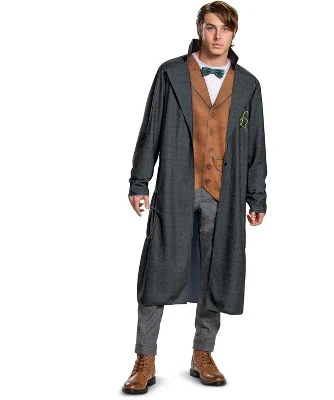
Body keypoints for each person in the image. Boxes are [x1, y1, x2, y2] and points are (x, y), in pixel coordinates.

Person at [122, 1, 267, 394]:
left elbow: (256, 144)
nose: (218, 36)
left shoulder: (248, 85)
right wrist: (139, 182)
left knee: (215, 272)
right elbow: (150, 128)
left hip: (224, 192)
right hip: (176, 186)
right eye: (211, 27)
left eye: (225, 29)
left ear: (234, 34)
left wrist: (256, 197)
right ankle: (145, 358)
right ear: (200, 29)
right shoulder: (170, 74)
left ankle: (203, 353)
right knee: (157, 269)